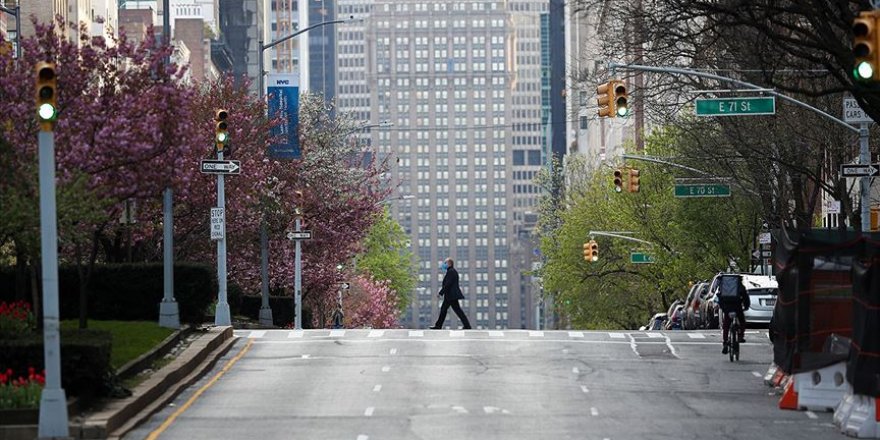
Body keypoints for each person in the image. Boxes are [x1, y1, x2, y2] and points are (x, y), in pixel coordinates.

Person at [429, 258, 472, 330]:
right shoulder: (451, 271)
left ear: (449, 264)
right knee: (449, 310)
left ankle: (438, 325)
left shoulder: (451, 272)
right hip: (450, 295)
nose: (443, 264)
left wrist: (441, 292)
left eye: (445, 263)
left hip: (451, 295)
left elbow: (448, 284)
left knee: (447, 310)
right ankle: (466, 325)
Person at [716, 274, 750, 354]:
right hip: (737, 306)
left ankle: (725, 342)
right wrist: (746, 306)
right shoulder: (740, 286)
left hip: (727, 307)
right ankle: (740, 336)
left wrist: (722, 306)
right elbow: (745, 297)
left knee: (726, 324)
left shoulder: (723, 286)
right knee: (742, 321)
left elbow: (719, 296)